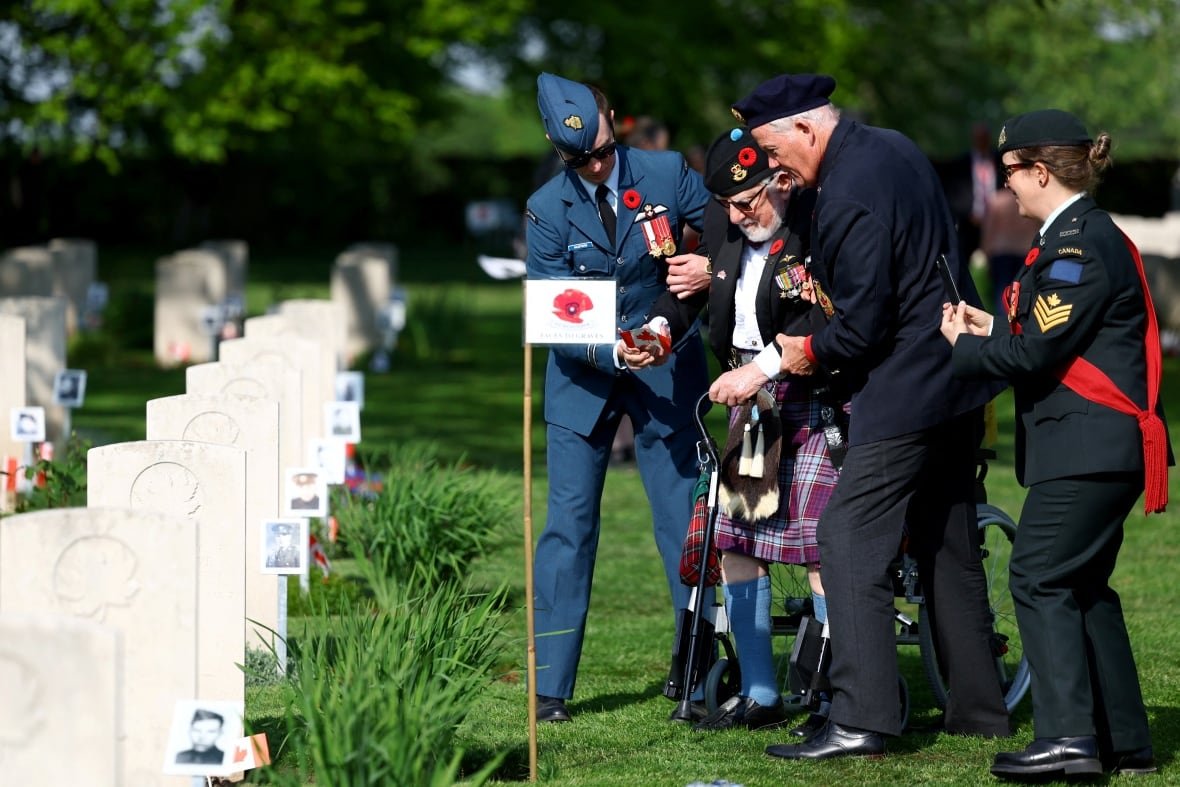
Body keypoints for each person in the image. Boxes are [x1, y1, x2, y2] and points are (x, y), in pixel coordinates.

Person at [733, 73, 1012, 759]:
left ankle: (863, 717)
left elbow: (859, 325)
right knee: (945, 540)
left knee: (848, 534)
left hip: (908, 384)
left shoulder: (851, 188)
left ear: (806, 127)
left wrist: (795, 353)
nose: (774, 164)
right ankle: (979, 707)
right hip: (955, 377)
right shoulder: (890, 148)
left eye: (774, 146)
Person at [941, 109, 1169, 780]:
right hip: (1093, 447)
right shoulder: (1072, 236)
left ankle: (1068, 736)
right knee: (1083, 585)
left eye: (1010, 172)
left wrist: (967, 346)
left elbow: (1039, 349)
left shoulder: (1076, 244)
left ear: (1040, 170)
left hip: (1089, 448)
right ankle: (1121, 737)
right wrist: (990, 325)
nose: (1004, 188)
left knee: (1037, 574)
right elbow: (1051, 335)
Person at [634, 126, 846, 735]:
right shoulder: (728, 222)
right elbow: (689, 299)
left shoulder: (816, 225)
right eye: (726, 206)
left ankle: (831, 693)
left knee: (818, 548)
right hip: (750, 411)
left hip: (812, 396)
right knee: (736, 543)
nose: (734, 217)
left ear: (780, 184)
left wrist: (763, 370)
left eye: (746, 203)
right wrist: (654, 334)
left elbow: (824, 315)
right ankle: (760, 691)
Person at [525, 72, 711, 723]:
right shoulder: (546, 210)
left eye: (604, 149)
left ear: (614, 118)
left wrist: (707, 265)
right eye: (583, 160)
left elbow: (722, 227)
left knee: (682, 522)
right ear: (559, 152)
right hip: (584, 380)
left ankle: (700, 664)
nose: (598, 164)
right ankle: (550, 684)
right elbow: (556, 311)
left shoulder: (665, 172)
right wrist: (611, 350)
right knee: (567, 529)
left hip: (666, 371)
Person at [943, 121, 1003, 268]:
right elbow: (953, 192)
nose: (981, 141)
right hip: (968, 224)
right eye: (978, 137)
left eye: (984, 137)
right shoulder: (961, 163)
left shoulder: (1000, 161)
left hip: (998, 224)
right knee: (960, 265)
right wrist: (967, 213)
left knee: (1000, 268)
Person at [981, 186, 1038, 314]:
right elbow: (1037, 226)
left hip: (1001, 250)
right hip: (1025, 250)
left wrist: (985, 252)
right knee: (1022, 292)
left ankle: (1004, 325)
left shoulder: (996, 199)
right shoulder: (1028, 200)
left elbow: (988, 229)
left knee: (1002, 293)